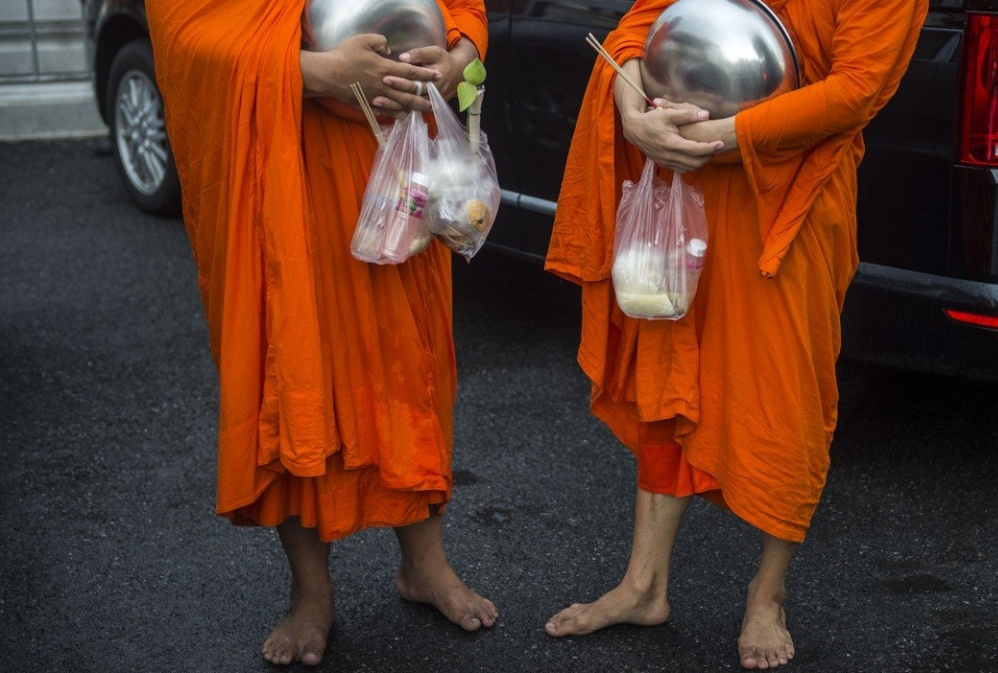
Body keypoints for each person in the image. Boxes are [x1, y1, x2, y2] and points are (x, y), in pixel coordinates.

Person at [543, 0, 928, 667]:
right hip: (690, 181)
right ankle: (643, 584)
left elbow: (856, 89)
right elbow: (643, 21)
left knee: (785, 392)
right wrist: (633, 107)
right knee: (669, 369)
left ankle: (767, 595)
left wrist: (716, 137)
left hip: (791, 195)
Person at [145, 0, 496, 666]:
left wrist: (459, 55)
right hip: (283, 170)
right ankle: (310, 590)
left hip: (391, 162)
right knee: (296, 372)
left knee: (407, 359)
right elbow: (189, 35)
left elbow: (463, 6)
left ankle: (425, 565)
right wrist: (314, 72)